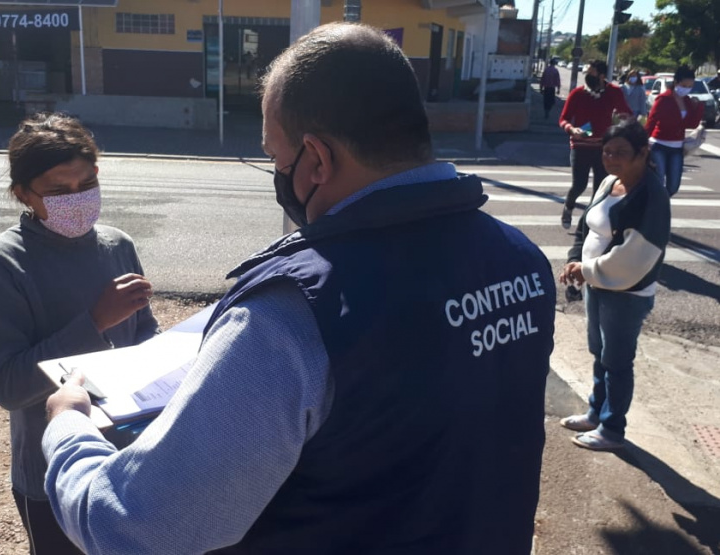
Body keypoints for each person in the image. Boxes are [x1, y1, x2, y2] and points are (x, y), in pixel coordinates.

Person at [41, 22, 556, 555]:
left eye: (275, 157)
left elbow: (134, 527)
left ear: (316, 159)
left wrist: (69, 428)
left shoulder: (292, 315)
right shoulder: (520, 258)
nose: (277, 174)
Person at [0, 113, 158, 554]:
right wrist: (94, 323)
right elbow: (9, 386)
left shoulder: (118, 245)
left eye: (86, 185)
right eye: (57, 191)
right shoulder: (0, 263)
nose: (77, 199)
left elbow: (145, 337)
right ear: (23, 193)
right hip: (51, 472)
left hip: (129, 460)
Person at [558, 119, 670, 451]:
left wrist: (586, 269)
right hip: (598, 283)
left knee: (617, 361)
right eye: (607, 151)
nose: (611, 158)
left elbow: (636, 255)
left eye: (621, 152)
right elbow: (586, 225)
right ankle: (596, 412)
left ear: (643, 153)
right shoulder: (610, 182)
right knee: (599, 353)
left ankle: (612, 428)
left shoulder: (651, 196)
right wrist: (575, 259)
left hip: (626, 292)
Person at [558, 59, 632, 229]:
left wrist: (623, 119)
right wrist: (571, 129)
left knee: (600, 188)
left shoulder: (614, 92)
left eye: (590, 73)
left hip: (604, 148)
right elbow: (563, 118)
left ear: (601, 75)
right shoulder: (577, 94)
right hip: (580, 146)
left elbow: (626, 113)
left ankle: (586, 223)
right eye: (586, 72)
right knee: (579, 184)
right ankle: (569, 206)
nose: (587, 76)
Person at [645, 65, 704, 197]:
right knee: (658, 181)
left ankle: (657, 202)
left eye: (690, 86)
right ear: (676, 82)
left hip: (677, 148)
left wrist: (698, 107)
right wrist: (642, 143)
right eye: (685, 85)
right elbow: (651, 122)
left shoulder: (687, 100)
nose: (687, 89)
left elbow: (692, 124)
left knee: (673, 186)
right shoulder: (663, 99)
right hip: (659, 145)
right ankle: (656, 207)